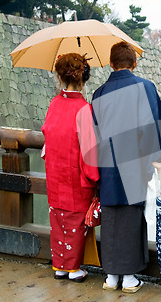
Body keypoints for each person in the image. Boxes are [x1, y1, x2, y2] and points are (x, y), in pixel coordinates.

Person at [91, 42, 161, 293]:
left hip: (106, 164)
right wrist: (156, 158)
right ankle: (128, 278)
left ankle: (111, 277)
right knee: (130, 216)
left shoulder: (99, 93)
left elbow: (92, 134)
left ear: (110, 63)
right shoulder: (145, 88)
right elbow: (155, 126)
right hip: (136, 163)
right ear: (134, 63)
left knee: (111, 216)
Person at [41, 53, 99, 282]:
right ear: (84, 79)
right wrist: (94, 176)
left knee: (58, 218)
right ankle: (73, 269)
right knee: (75, 219)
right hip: (75, 175)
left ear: (59, 76)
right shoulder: (84, 108)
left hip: (55, 172)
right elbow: (89, 149)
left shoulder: (54, 103)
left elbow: (47, 132)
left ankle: (60, 266)